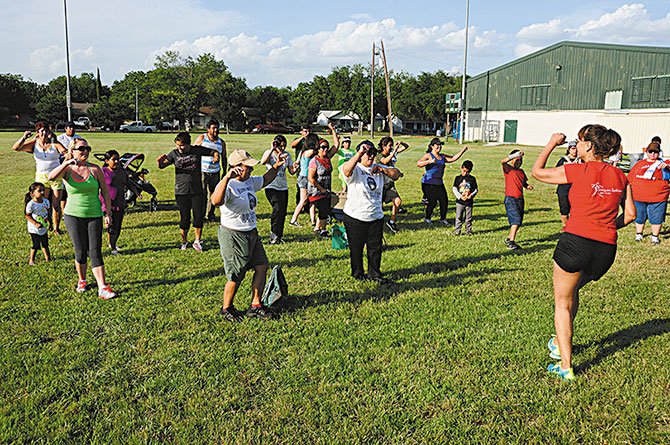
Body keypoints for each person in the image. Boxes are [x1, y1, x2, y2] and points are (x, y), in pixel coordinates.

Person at [531, 125, 636, 381]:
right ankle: (559, 341)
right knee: (573, 291)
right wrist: (608, 226)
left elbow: (537, 173)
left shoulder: (578, 169)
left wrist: (551, 143)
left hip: (575, 243)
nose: (576, 146)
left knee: (562, 304)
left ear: (589, 145)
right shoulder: (621, 176)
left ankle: (565, 365)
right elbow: (631, 215)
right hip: (605, 251)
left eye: (579, 142)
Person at [210, 149, 285, 322]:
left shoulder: (249, 181)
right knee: (237, 274)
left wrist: (276, 166)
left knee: (261, 266)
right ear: (235, 167)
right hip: (233, 234)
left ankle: (256, 305)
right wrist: (226, 178)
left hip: (251, 231)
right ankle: (227, 308)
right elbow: (215, 201)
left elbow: (265, 179)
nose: (251, 170)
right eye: (247, 167)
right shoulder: (228, 185)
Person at [48, 137, 118, 300]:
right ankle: (82, 280)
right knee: (80, 251)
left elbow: (105, 192)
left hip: (94, 214)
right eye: (81, 149)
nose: (85, 152)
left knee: (95, 251)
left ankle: (102, 287)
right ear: (73, 151)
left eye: (88, 149)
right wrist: (66, 162)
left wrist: (107, 213)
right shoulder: (67, 170)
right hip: (73, 215)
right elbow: (51, 177)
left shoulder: (95, 169)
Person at [341, 140, 401, 282]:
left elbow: (397, 174)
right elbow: (346, 170)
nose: (371, 157)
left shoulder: (378, 167)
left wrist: (383, 170)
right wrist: (359, 153)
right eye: (367, 154)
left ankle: (374, 274)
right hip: (355, 216)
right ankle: (358, 274)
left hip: (375, 216)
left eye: (373, 154)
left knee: (375, 248)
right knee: (356, 249)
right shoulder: (355, 168)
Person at [157, 132, 219, 251]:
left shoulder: (197, 150)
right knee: (185, 217)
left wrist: (216, 157)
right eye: (178, 145)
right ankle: (184, 241)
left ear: (189, 144)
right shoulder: (174, 153)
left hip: (197, 189)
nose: (179, 148)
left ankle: (197, 241)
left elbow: (213, 151)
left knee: (198, 216)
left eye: (182, 145)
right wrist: (160, 162)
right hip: (181, 190)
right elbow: (162, 166)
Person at [12, 121, 68, 234]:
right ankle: (46, 224)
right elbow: (16, 148)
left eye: (46, 130)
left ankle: (57, 228)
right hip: (41, 177)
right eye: (42, 130)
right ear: (37, 132)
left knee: (56, 205)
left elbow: (67, 153)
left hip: (56, 177)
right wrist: (24, 137)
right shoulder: (34, 144)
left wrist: (64, 164)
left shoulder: (55, 144)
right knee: (43, 204)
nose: (44, 133)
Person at [417, 137, 468, 225]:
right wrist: (429, 161)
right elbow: (419, 164)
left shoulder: (442, 156)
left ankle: (443, 219)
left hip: (439, 183)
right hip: (428, 183)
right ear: (432, 146)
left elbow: (453, 158)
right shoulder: (429, 155)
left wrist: (463, 151)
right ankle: (427, 218)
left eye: (440, 145)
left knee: (444, 201)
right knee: (432, 201)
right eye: (437, 145)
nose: (439, 147)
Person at [628, 141, 670, 245]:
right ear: (646, 152)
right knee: (639, 216)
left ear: (659, 153)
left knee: (657, 217)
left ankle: (654, 236)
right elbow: (630, 178)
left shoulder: (663, 163)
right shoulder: (639, 164)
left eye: (655, 152)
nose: (653, 154)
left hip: (658, 197)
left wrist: (667, 167)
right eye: (650, 151)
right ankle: (639, 234)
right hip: (639, 196)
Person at [99, 150, 140, 254]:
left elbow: (128, 182)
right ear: (107, 161)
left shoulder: (122, 171)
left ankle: (112, 243)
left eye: (118, 159)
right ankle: (112, 248)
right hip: (108, 203)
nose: (116, 161)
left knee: (118, 225)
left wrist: (136, 192)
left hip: (120, 202)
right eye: (114, 159)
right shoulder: (102, 172)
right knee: (112, 226)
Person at [261, 135, 298, 244]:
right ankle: (274, 235)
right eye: (280, 146)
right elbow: (263, 162)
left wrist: (296, 167)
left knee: (282, 212)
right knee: (277, 210)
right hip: (271, 186)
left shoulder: (287, 155)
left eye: (284, 146)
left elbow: (291, 171)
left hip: (283, 187)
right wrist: (272, 148)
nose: (282, 148)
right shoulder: (269, 153)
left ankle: (279, 236)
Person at [194, 119, 227, 222]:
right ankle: (201, 215)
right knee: (202, 194)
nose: (216, 130)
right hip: (202, 171)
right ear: (208, 129)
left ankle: (210, 215)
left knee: (214, 194)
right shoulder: (202, 138)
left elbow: (224, 157)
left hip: (215, 172)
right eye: (213, 128)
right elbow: (193, 151)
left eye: (217, 128)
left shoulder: (221, 142)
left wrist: (224, 172)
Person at [501, 149, 533, 250]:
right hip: (510, 199)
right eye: (517, 160)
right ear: (511, 160)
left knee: (519, 221)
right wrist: (515, 155)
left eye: (520, 160)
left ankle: (509, 238)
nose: (519, 162)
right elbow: (502, 161)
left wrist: (527, 186)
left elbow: (523, 182)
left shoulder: (521, 172)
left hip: (520, 198)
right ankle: (511, 242)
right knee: (516, 220)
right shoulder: (508, 169)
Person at [377, 137, 408, 234]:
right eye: (389, 145)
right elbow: (385, 161)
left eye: (392, 145)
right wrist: (394, 151)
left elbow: (406, 147)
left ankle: (392, 222)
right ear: (383, 146)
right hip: (380, 185)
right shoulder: (378, 155)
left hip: (390, 185)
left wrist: (401, 143)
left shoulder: (392, 153)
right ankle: (377, 224)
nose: (391, 147)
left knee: (398, 201)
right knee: (378, 207)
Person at [308, 137, 338, 236]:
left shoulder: (327, 158)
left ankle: (319, 229)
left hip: (326, 189)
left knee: (324, 210)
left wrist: (333, 130)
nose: (325, 149)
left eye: (327, 147)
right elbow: (311, 178)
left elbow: (336, 145)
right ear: (318, 149)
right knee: (323, 209)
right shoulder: (314, 161)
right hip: (316, 190)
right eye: (323, 147)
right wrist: (321, 189)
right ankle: (322, 229)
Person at [289, 133, 318, 227]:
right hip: (306, 177)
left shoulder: (302, 151)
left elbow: (297, 161)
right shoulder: (310, 152)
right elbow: (317, 153)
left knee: (312, 200)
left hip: (303, 176)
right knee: (303, 200)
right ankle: (293, 220)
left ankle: (313, 221)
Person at [555, 140, 581, 227]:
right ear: (569, 149)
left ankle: (573, 227)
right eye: (573, 148)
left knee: (576, 210)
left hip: (577, 189)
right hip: (563, 189)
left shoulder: (581, 161)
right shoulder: (563, 160)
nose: (575, 151)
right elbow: (556, 172)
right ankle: (566, 226)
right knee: (564, 210)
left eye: (577, 149)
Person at [24, 182, 51, 265]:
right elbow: (27, 215)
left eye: (43, 190)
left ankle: (48, 259)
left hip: (43, 227)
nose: (42, 192)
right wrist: (35, 223)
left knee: (45, 244)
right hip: (34, 229)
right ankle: (31, 260)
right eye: (40, 191)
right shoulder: (31, 204)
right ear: (32, 194)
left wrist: (50, 222)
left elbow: (48, 212)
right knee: (36, 245)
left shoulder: (46, 201)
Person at [452, 160, 478, 235]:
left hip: (469, 202)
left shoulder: (472, 179)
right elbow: (454, 189)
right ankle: (457, 230)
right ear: (461, 168)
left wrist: (471, 195)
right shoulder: (458, 178)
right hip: (460, 202)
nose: (465, 173)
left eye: (467, 172)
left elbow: (475, 189)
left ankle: (468, 231)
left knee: (468, 218)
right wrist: (460, 197)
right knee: (458, 217)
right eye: (464, 171)